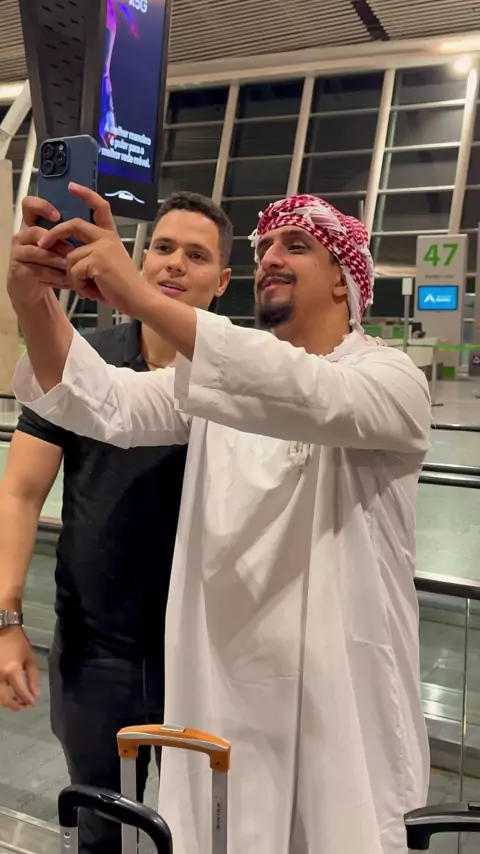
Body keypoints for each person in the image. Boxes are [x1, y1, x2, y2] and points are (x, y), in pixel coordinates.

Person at [10, 187, 432, 854]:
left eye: (297, 246)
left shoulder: (391, 380)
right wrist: (32, 300)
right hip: (227, 707)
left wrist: (139, 295)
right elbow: (102, 400)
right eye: (265, 249)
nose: (271, 259)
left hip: (343, 715)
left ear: (345, 280)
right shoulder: (214, 389)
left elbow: (309, 393)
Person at [0, 189, 231, 854]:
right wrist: (7, 620)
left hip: (205, 651)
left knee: (204, 824)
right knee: (102, 826)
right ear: (139, 258)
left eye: (196, 255)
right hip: (97, 646)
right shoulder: (77, 358)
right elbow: (20, 492)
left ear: (222, 281)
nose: (174, 263)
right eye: (162, 247)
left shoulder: (240, 375)